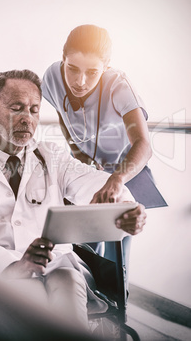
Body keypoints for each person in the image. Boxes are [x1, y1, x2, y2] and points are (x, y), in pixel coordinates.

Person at [0, 69, 146, 330]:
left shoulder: (52, 157)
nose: (27, 119)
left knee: (70, 299)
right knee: (34, 307)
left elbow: (95, 184)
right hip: (1, 270)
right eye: (17, 108)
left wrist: (127, 209)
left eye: (34, 110)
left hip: (58, 263)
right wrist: (17, 265)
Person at [41, 24, 163, 270]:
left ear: (105, 69)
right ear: (62, 59)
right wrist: (77, 155)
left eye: (92, 72)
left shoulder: (119, 86)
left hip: (124, 169)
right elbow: (62, 114)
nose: (80, 81)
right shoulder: (52, 76)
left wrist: (117, 179)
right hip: (91, 169)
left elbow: (143, 144)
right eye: (72, 68)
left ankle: (119, 302)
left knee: (118, 242)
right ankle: (89, 296)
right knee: (86, 242)